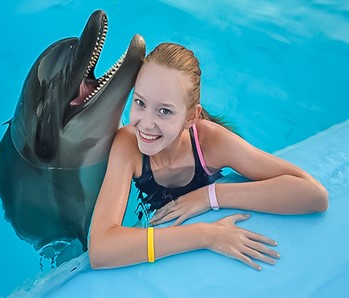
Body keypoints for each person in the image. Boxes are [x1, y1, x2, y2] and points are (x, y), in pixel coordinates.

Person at [89, 42, 328, 271]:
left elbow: (313, 195)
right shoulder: (128, 145)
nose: (147, 123)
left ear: (192, 117)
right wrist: (204, 235)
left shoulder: (211, 143)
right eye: (140, 103)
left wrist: (209, 196)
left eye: (164, 111)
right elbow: (100, 249)